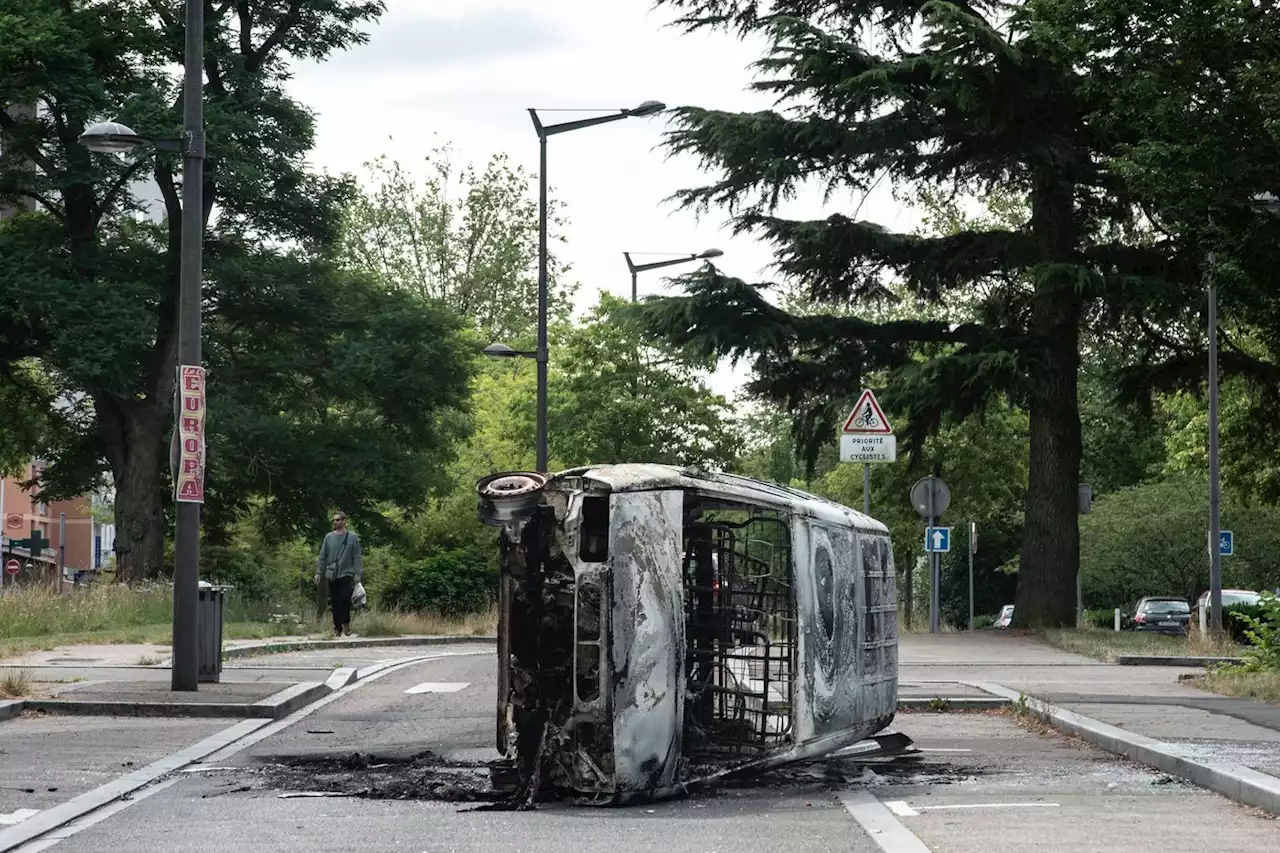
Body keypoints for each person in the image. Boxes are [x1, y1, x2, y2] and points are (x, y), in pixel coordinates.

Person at [313, 510, 362, 637]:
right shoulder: (328, 537)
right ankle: (337, 627)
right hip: (332, 573)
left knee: (345, 598)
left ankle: (346, 623)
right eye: (334, 520)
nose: (335, 522)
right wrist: (319, 572)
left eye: (338, 520)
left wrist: (357, 573)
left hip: (346, 573)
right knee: (335, 601)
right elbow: (323, 556)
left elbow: (357, 556)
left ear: (344, 521)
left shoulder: (352, 537)